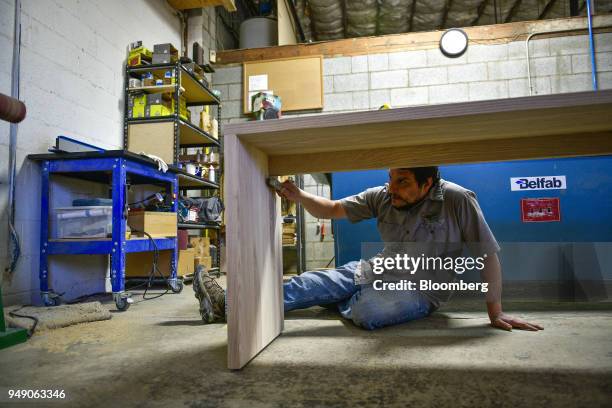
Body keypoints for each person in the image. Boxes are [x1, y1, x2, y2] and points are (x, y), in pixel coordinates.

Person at [193, 167, 543, 332]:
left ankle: (340, 298)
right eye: (391, 178)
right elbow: (331, 209)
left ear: (428, 184)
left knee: (369, 314)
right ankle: (227, 304)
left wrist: (494, 313)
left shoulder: (457, 200)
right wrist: (298, 196)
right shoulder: (382, 195)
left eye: (403, 181)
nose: (392, 188)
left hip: (421, 291)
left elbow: (488, 255)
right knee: (307, 284)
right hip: (374, 271)